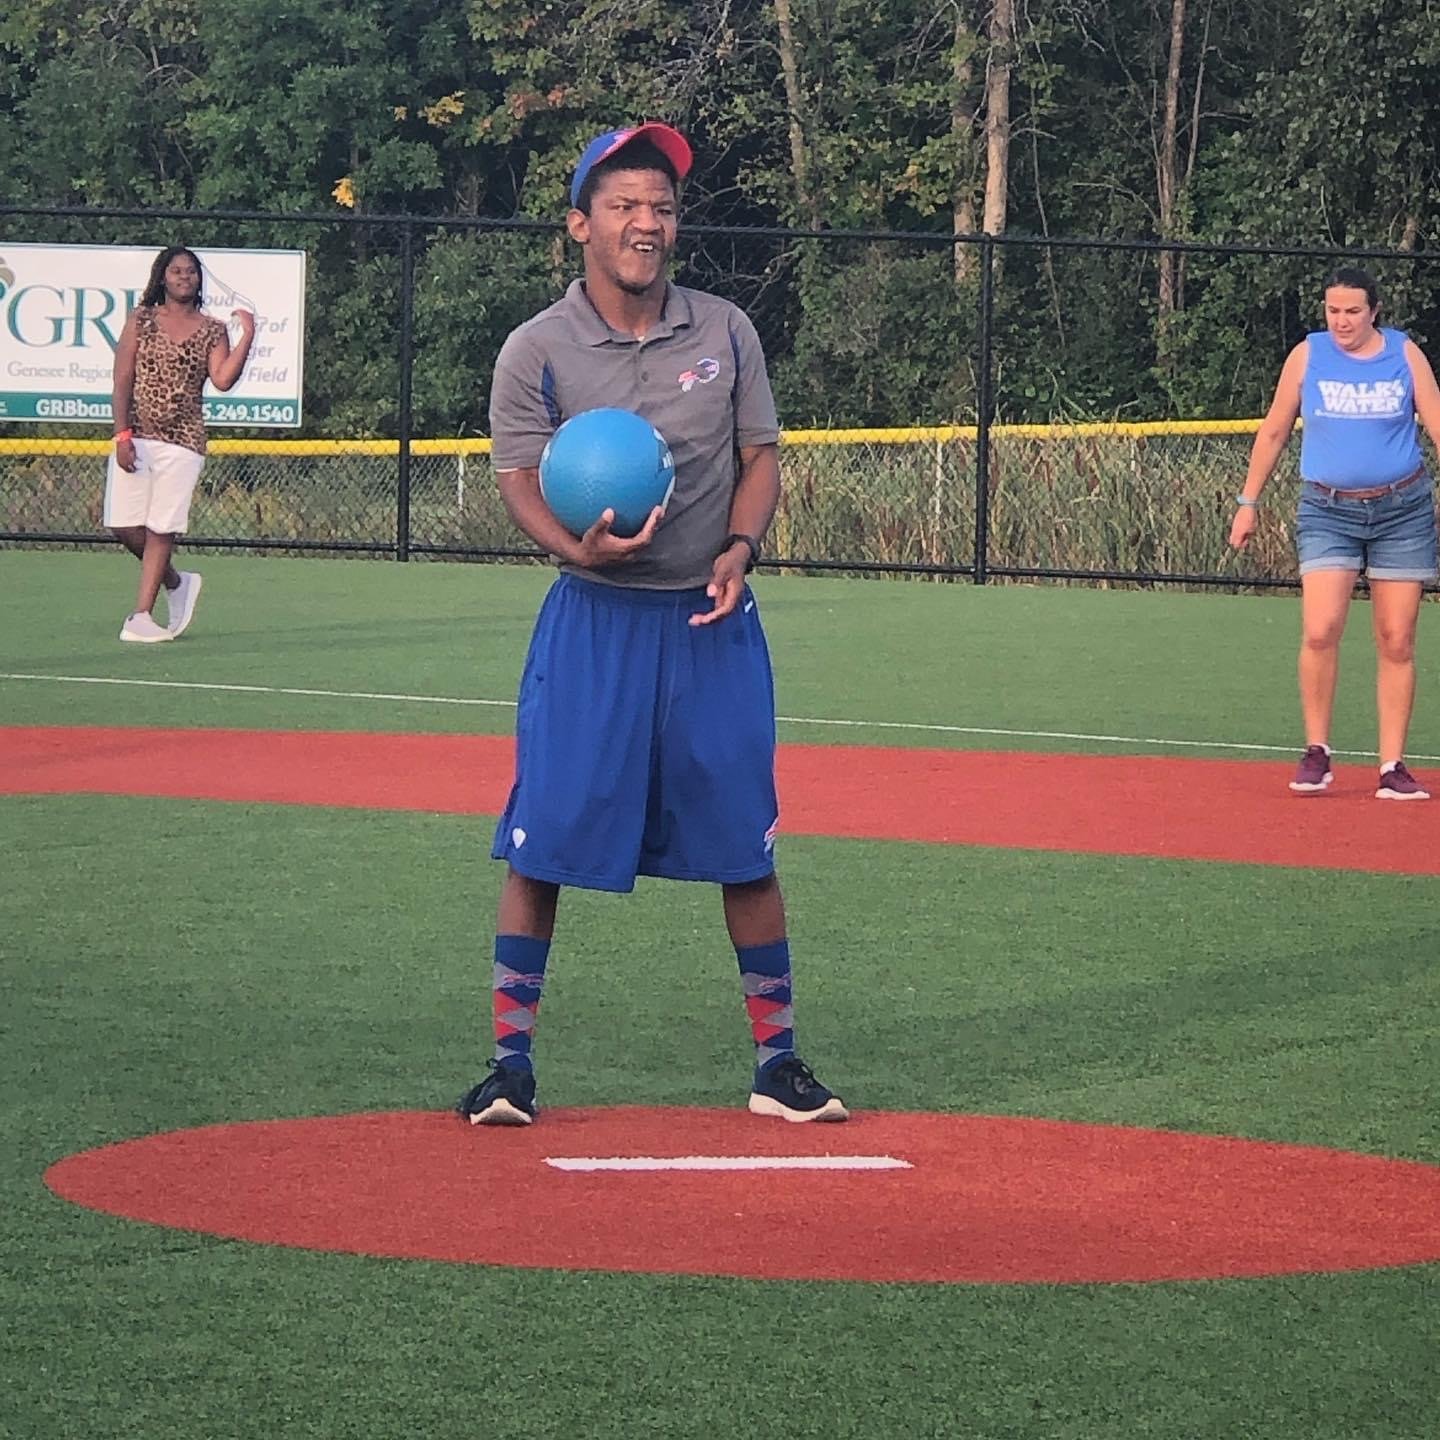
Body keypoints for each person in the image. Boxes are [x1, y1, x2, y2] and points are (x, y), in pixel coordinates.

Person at [457, 123, 848, 1126]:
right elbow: (518, 477)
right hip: (593, 624)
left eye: (663, 207)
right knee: (542, 842)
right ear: (579, 224)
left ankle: (778, 1065)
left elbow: (760, 458)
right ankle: (510, 1068)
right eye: (625, 204)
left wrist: (741, 545)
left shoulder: (725, 330)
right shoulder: (535, 349)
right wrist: (574, 547)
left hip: (710, 623)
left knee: (746, 845)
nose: (647, 223)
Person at [1231, 267, 1440, 800]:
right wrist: (1248, 503)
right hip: (1327, 510)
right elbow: (1275, 429)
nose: (1342, 321)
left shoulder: (1404, 353)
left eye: (1352, 311)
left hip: (1402, 510)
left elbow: (1438, 423)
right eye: (1333, 310)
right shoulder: (1309, 355)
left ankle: (1392, 765)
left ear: (1374, 311)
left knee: (1396, 638)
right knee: (1321, 628)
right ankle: (1317, 751)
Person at [106, 245, 256, 643]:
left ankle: (141, 615)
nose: (184, 277)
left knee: (161, 528)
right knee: (124, 526)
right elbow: (122, 380)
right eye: (176, 271)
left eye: (191, 271)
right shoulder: (141, 320)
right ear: (162, 277)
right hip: (137, 435)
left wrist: (247, 336)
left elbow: (222, 379)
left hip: (183, 441)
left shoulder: (212, 329)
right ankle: (176, 582)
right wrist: (122, 434)